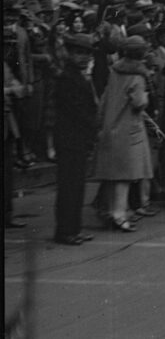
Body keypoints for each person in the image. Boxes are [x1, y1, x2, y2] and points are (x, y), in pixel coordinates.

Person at [93, 36, 153, 232]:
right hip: (129, 128)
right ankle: (120, 214)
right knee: (125, 175)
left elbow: (105, 98)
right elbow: (138, 103)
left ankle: (111, 211)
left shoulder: (115, 71)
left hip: (111, 125)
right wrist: (146, 96)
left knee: (113, 174)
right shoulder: (138, 76)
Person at [52, 33, 99, 245]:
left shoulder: (79, 77)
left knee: (77, 185)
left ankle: (74, 228)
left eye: (87, 54)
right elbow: (77, 110)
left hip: (77, 138)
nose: (84, 58)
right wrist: (94, 125)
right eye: (79, 53)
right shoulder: (67, 78)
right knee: (70, 186)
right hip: (70, 138)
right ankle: (66, 230)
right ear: (69, 54)